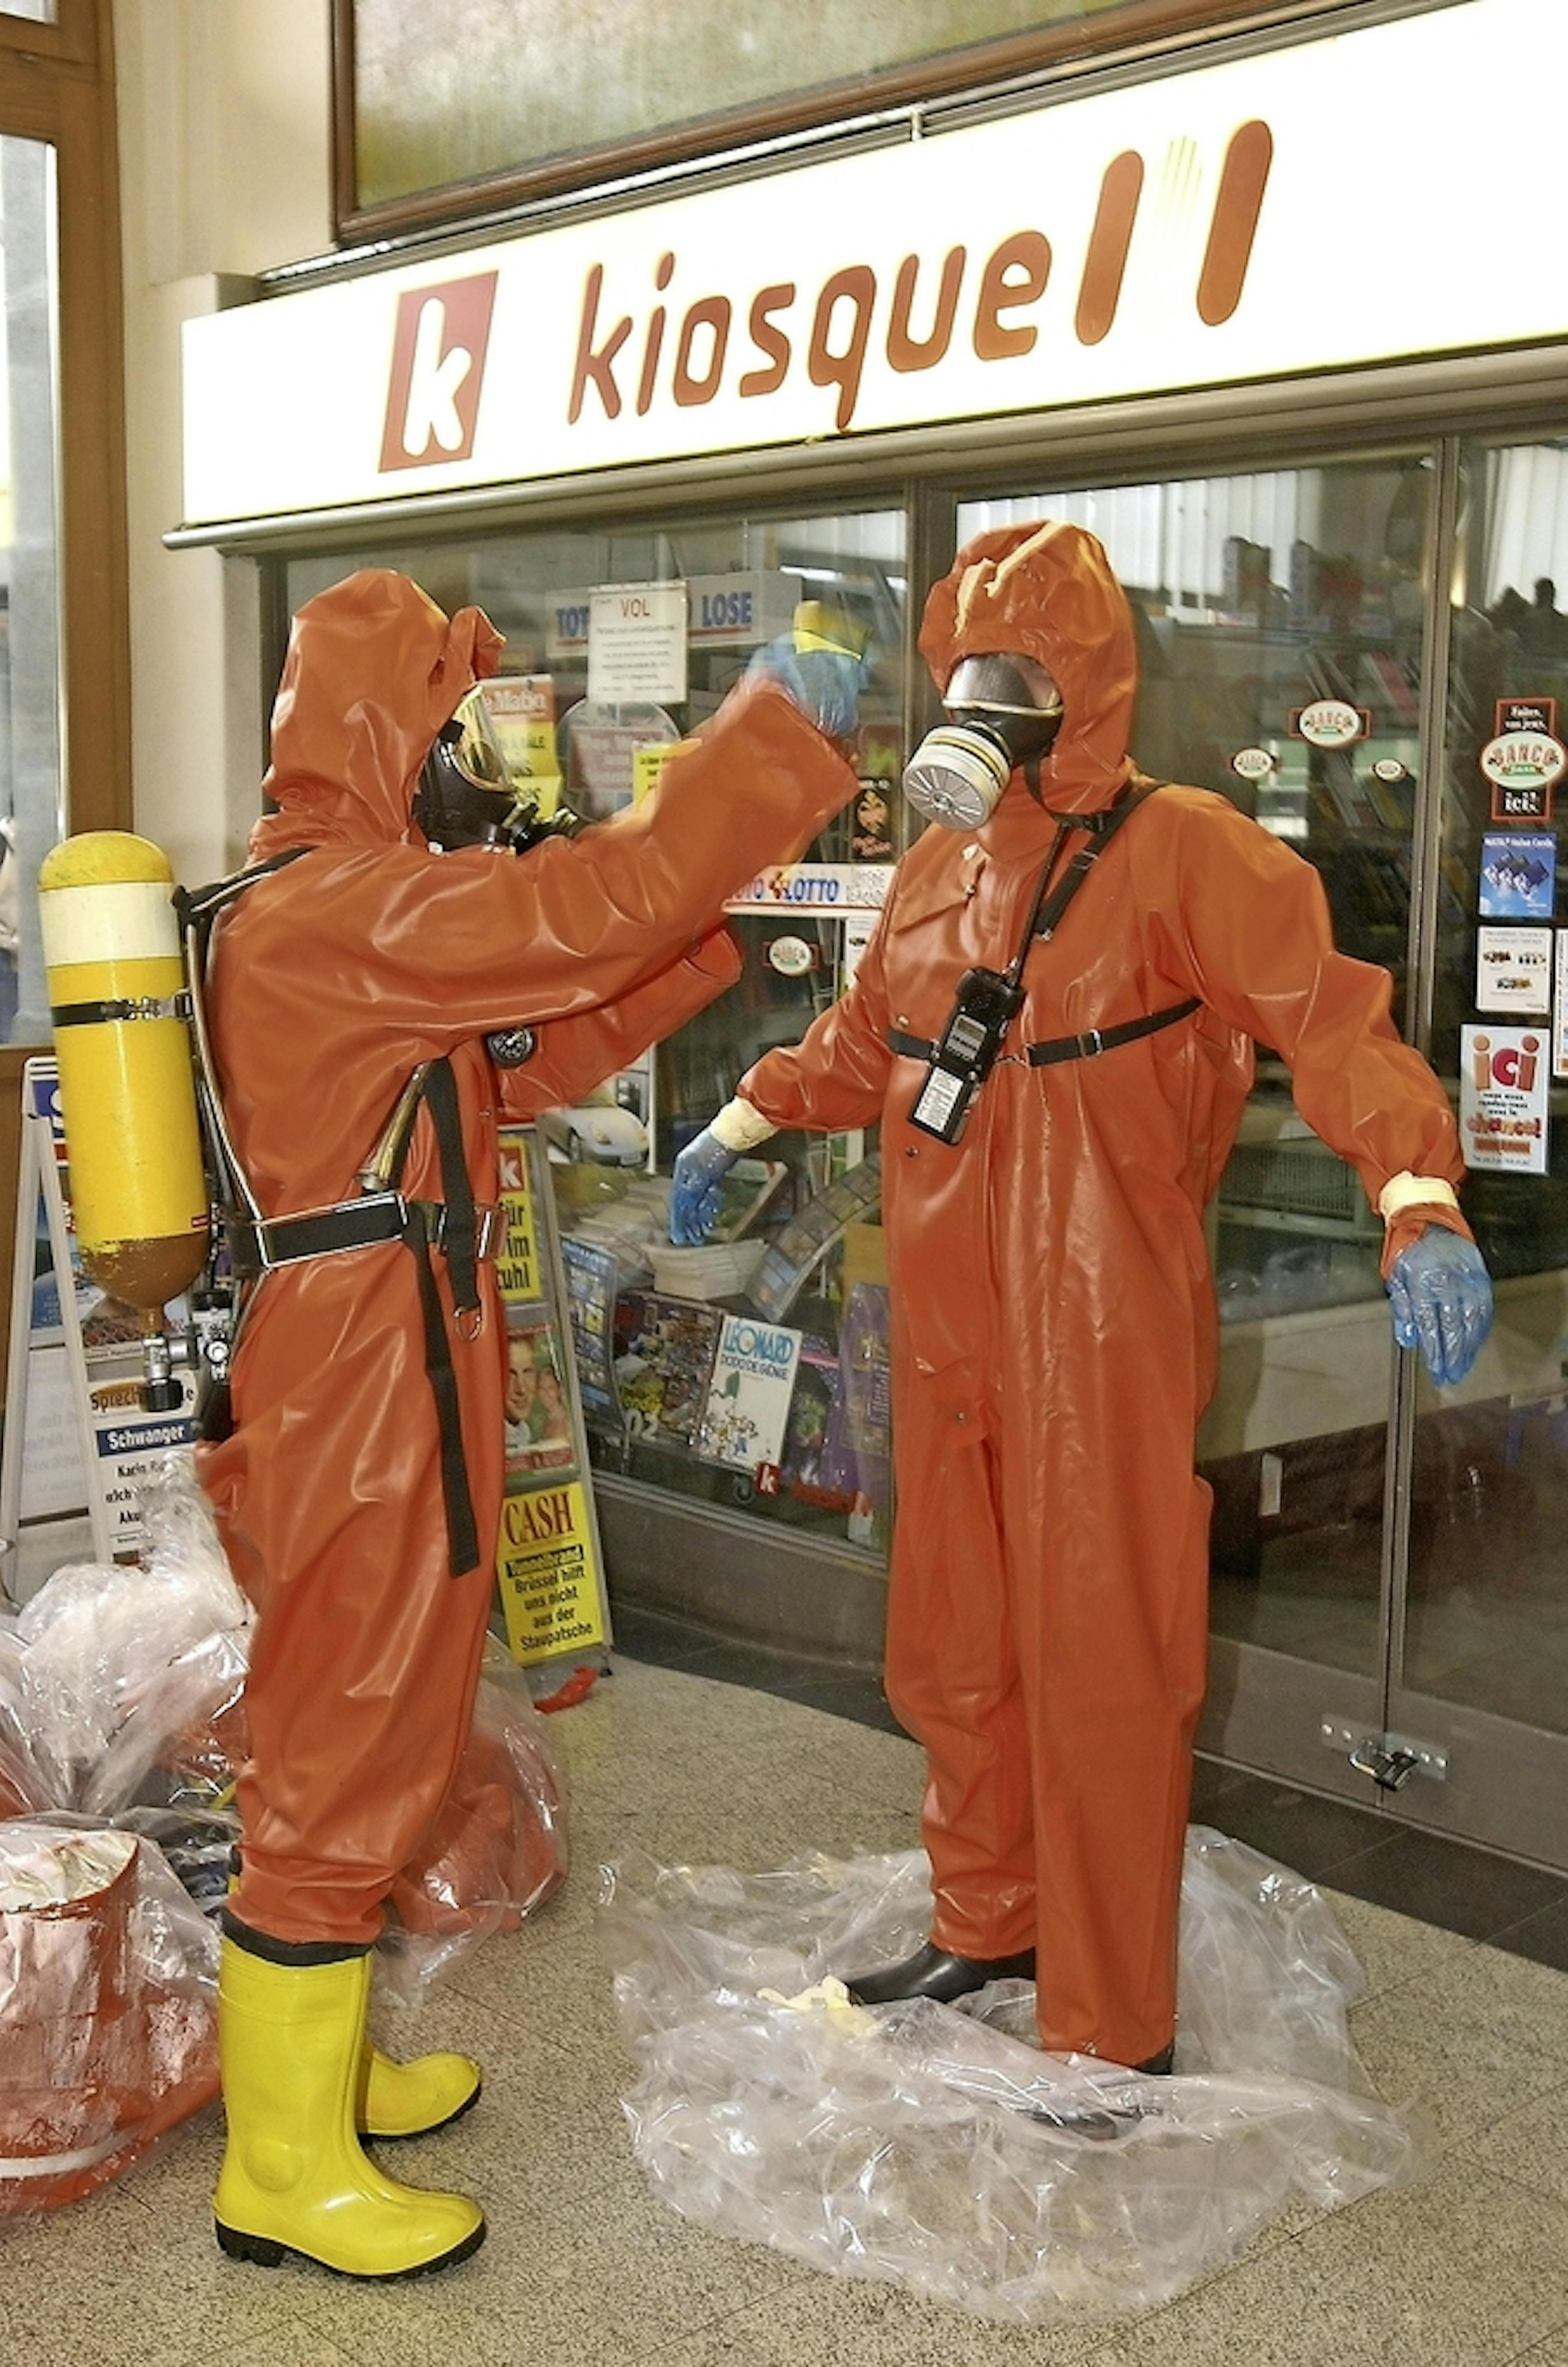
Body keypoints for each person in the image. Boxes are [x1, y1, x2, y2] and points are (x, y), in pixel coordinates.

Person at [671, 520, 1492, 2078]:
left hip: (1098, 1334)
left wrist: (1416, 1191)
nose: (985, 704)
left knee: (1106, 1666)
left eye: (1021, 674)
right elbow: (872, 1044)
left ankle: (1112, 2025)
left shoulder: (1188, 852)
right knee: (953, 1643)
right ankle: (993, 1917)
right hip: (950, 1329)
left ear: (1091, 686)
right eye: (968, 672)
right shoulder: (933, 872)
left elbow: (1334, 1021)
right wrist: (744, 1118)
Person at [195, 566, 864, 2278]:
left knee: (357, 1711)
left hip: (379, 1347)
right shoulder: (332, 910)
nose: (481, 768)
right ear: (380, 738)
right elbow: (588, 902)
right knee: (348, 1734)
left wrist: (692, 945)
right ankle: (280, 2164)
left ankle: (327, 2072)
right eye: (454, 729)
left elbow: (520, 1060)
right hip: (362, 1364)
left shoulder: (347, 917)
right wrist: (768, 745)